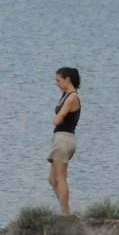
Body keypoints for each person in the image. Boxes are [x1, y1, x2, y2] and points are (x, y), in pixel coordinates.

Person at [47, 67, 81, 215]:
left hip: (65, 139)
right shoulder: (65, 95)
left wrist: (55, 119)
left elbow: (59, 117)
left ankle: (65, 213)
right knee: (52, 179)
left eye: (59, 80)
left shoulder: (72, 97)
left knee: (61, 178)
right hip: (60, 138)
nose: (57, 83)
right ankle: (65, 209)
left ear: (67, 79)